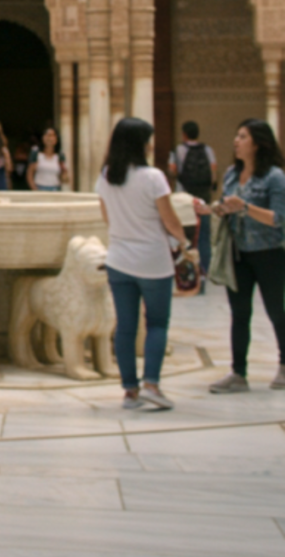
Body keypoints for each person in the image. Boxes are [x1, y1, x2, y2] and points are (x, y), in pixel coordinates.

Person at [96, 117, 186, 411]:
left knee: (125, 327)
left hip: (119, 260)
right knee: (157, 323)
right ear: (140, 144)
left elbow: (107, 217)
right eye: (148, 139)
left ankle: (130, 392)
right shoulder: (153, 177)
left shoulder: (107, 175)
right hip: (152, 261)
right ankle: (152, 384)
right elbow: (169, 218)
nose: (151, 144)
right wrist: (183, 239)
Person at [199, 119, 285, 393]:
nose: (236, 141)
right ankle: (238, 373)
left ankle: (284, 365)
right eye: (237, 136)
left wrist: (245, 206)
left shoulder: (274, 176)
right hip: (238, 254)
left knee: (277, 311)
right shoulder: (231, 175)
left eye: (243, 136)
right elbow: (228, 208)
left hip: (269, 253)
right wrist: (211, 209)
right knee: (239, 313)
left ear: (258, 143)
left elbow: (279, 218)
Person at [168, 120, 217, 281]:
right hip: (203, 197)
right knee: (204, 234)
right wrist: (212, 186)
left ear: (184, 134)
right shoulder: (207, 149)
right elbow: (213, 169)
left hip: (184, 199)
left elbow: (172, 170)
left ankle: (184, 271)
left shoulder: (178, 150)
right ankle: (204, 271)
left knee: (183, 236)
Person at [27, 125, 69, 192]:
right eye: (47, 135)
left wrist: (65, 175)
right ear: (43, 137)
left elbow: (64, 176)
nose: (50, 138)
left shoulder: (60, 155)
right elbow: (30, 174)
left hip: (55, 189)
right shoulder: (36, 153)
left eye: (52, 136)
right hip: (40, 187)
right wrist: (35, 190)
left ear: (56, 139)